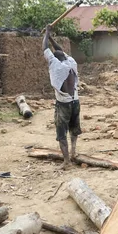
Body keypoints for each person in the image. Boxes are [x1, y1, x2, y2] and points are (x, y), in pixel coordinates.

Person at [42, 24, 81, 169]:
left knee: (61, 132)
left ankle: (67, 162)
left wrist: (46, 33)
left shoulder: (56, 65)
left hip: (63, 104)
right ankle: (74, 152)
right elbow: (60, 50)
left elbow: (45, 49)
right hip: (75, 101)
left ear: (55, 58)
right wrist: (51, 37)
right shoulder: (71, 63)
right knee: (74, 128)